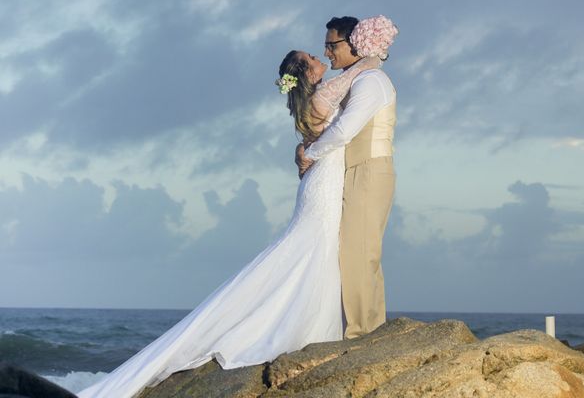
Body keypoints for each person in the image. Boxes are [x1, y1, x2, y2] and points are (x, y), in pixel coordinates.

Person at [77, 42, 384, 397]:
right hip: (324, 183)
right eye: (313, 59)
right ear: (306, 73)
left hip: (324, 180)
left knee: (317, 252)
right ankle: (300, 327)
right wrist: (370, 60)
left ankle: (313, 323)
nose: (320, 58)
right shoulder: (319, 99)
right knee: (312, 250)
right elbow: (349, 94)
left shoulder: (312, 100)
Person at [297, 15, 398, 339]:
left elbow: (344, 131)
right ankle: (370, 329)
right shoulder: (357, 80)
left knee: (358, 255)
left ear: (354, 43)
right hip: (356, 170)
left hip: (368, 169)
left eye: (332, 45)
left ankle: (359, 334)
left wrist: (309, 155)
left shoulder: (371, 82)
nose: (327, 52)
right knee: (362, 254)